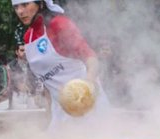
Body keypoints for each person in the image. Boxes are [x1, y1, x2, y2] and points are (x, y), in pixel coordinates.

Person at [11, 0, 108, 130]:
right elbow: (47, 85)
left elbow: (91, 58)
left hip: (88, 107)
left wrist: (88, 84)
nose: (20, 11)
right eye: (16, 7)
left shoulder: (59, 24)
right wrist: (48, 117)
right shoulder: (28, 37)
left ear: (40, 3)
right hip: (60, 114)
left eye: (25, 4)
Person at [8, 43, 37, 109]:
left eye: (26, 50)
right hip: (17, 95)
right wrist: (18, 84)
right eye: (22, 50)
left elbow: (36, 79)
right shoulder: (11, 65)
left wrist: (35, 92)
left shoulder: (32, 64)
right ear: (16, 52)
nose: (25, 52)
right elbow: (9, 81)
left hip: (31, 95)